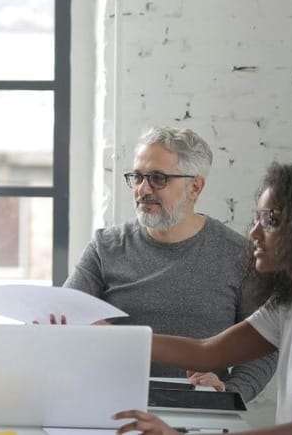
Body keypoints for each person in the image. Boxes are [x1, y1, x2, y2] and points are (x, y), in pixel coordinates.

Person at [115, 162, 292, 435]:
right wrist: (111, 339)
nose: (254, 233)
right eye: (257, 218)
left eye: (271, 220)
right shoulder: (288, 305)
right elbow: (206, 352)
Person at [64, 126, 276, 401]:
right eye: (138, 177)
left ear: (195, 187)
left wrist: (229, 392)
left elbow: (264, 346)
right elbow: (65, 316)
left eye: (157, 178)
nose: (142, 189)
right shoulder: (105, 247)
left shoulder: (239, 255)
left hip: (200, 410)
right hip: (109, 405)